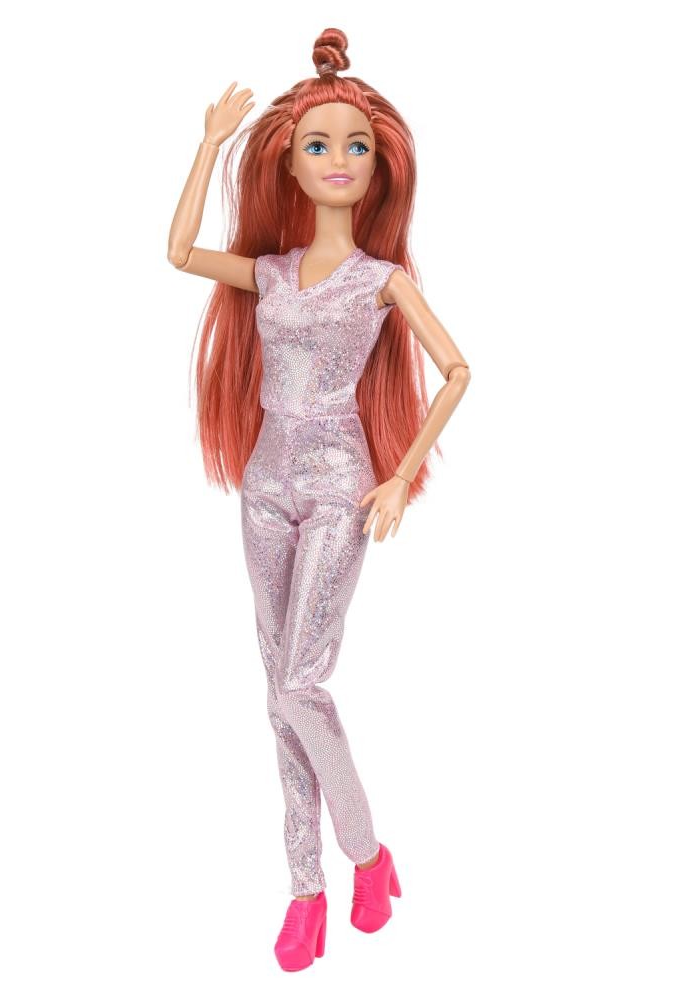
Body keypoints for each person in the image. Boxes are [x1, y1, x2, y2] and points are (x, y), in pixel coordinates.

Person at [168, 27, 470, 972]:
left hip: (342, 487)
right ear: (290, 165)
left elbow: (459, 370)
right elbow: (179, 253)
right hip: (263, 486)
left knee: (302, 682)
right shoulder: (268, 272)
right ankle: (306, 890)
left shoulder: (383, 283)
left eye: (357, 146)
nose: (339, 160)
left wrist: (399, 474)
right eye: (318, 145)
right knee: (278, 693)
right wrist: (209, 143)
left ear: (380, 167)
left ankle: (367, 856)